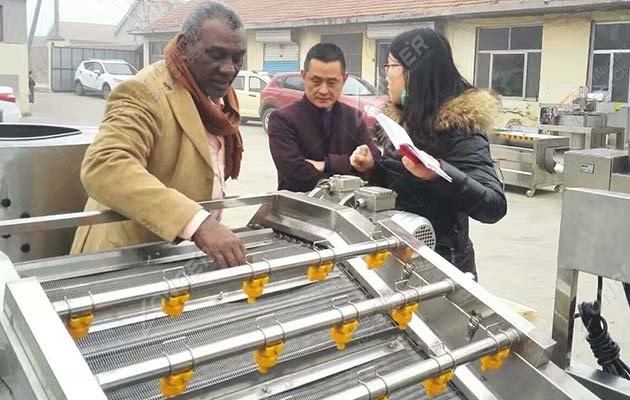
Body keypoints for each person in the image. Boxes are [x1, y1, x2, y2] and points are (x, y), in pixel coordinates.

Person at [71, 1, 247, 268]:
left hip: (176, 257)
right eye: (216, 54)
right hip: (123, 261)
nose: (229, 68)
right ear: (186, 47)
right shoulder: (145, 91)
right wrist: (197, 222)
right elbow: (104, 165)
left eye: (237, 57)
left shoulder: (220, 99)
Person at [350, 28, 507, 276]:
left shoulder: (462, 129)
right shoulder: (403, 119)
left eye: (391, 66)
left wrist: (438, 172)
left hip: (444, 265)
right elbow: (403, 186)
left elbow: (493, 206)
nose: (387, 76)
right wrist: (372, 168)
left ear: (416, 73)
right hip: (401, 253)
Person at [268, 43, 380, 192]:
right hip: (296, 209)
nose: (323, 90)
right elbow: (296, 174)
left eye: (332, 82)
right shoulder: (282, 119)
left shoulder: (353, 117)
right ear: (303, 76)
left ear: (345, 79)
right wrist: (347, 164)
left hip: (346, 208)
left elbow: (374, 159)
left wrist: (322, 164)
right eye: (316, 81)